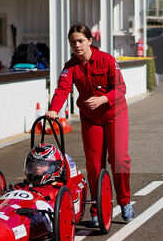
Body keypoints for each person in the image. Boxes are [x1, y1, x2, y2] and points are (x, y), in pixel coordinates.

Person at [47, 24, 133, 224]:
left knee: (119, 160)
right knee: (94, 165)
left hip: (114, 114)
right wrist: (54, 109)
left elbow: (121, 88)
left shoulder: (107, 60)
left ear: (90, 41)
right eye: (73, 42)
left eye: (80, 41)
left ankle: (125, 201)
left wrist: (102, 99)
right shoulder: (70, 67)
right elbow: (62, 89)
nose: (77, 45)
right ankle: (98, 206)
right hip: (91, 118)